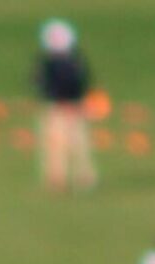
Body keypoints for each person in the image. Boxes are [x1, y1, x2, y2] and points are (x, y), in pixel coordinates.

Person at [33, 19, 96, 194]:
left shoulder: (52, 62)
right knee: (70, 143)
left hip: (64, 106)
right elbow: (82, 81)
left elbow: (41, 83)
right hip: (69, 105)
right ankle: (69, 178)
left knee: (66, 144)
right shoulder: (72, 60)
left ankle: (65, 178)